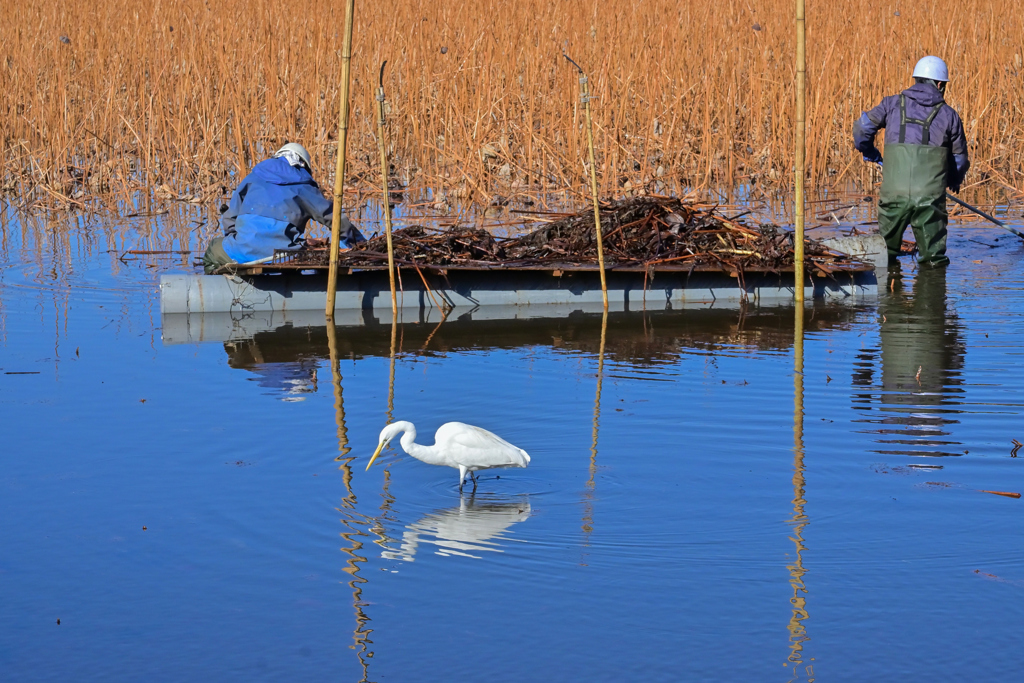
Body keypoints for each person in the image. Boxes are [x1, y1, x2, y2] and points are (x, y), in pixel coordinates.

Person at [853, 56, 970, 267]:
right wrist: (953, 179)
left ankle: (888, 295)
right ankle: (930, 297)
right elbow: (959, 158)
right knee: (933, 262)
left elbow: (862, 128)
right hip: (929, 198)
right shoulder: (949, 115)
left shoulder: (891, 104)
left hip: (894, 194)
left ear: (916, 79)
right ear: (941, 84)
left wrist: (870, 152)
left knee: (883, 256)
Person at [203, 143, 365, 273]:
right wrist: (358, 244)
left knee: (213, 250)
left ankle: (218, 286)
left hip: (241, 252)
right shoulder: (304, 186)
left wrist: (237, 239)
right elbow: (335, 219)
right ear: (304, 165)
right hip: (283, 257)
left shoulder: (254, 176)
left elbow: (231, 216)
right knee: (298, 251)